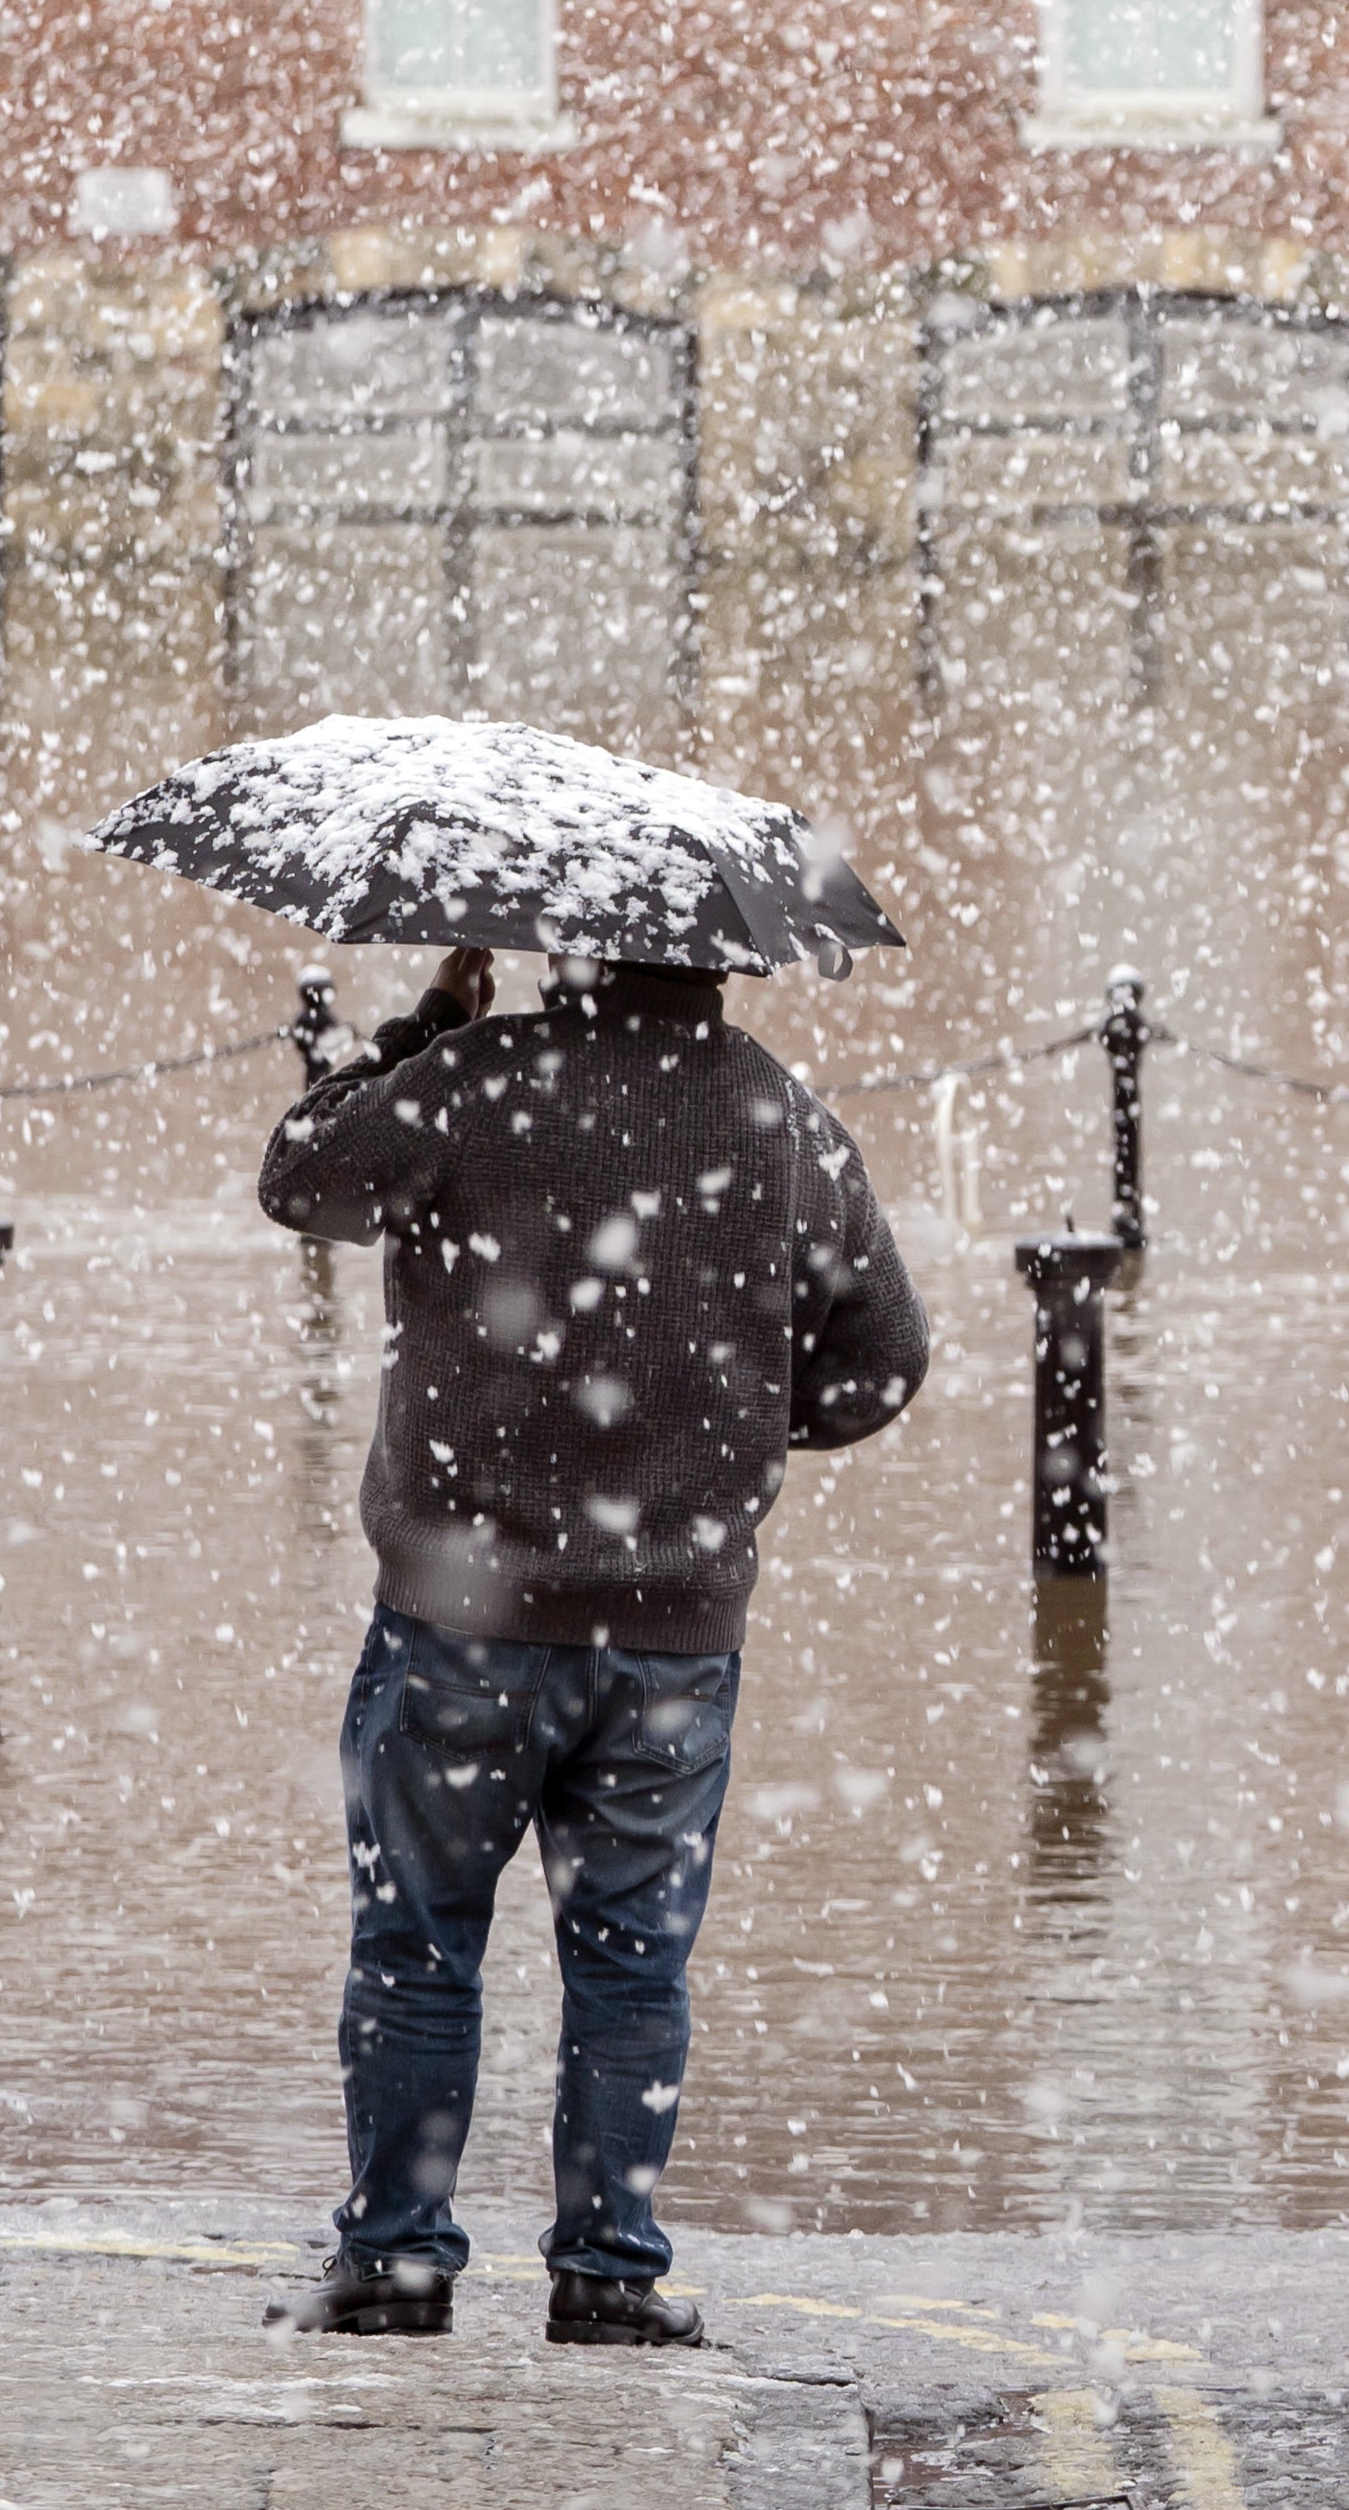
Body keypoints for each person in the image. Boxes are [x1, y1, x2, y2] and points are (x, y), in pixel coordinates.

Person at [253, 943, 927, 2346]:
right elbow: (885, 1356)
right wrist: (721, 1432)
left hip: (458, 1616)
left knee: (415, 1947)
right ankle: (611, 2274)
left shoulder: (480, 1078)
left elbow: (300, 1174)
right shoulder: (775, 1112)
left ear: (573, 938)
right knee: (632, 1963)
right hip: (672, 1635)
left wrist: (428, 1024)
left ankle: (394, 2260)